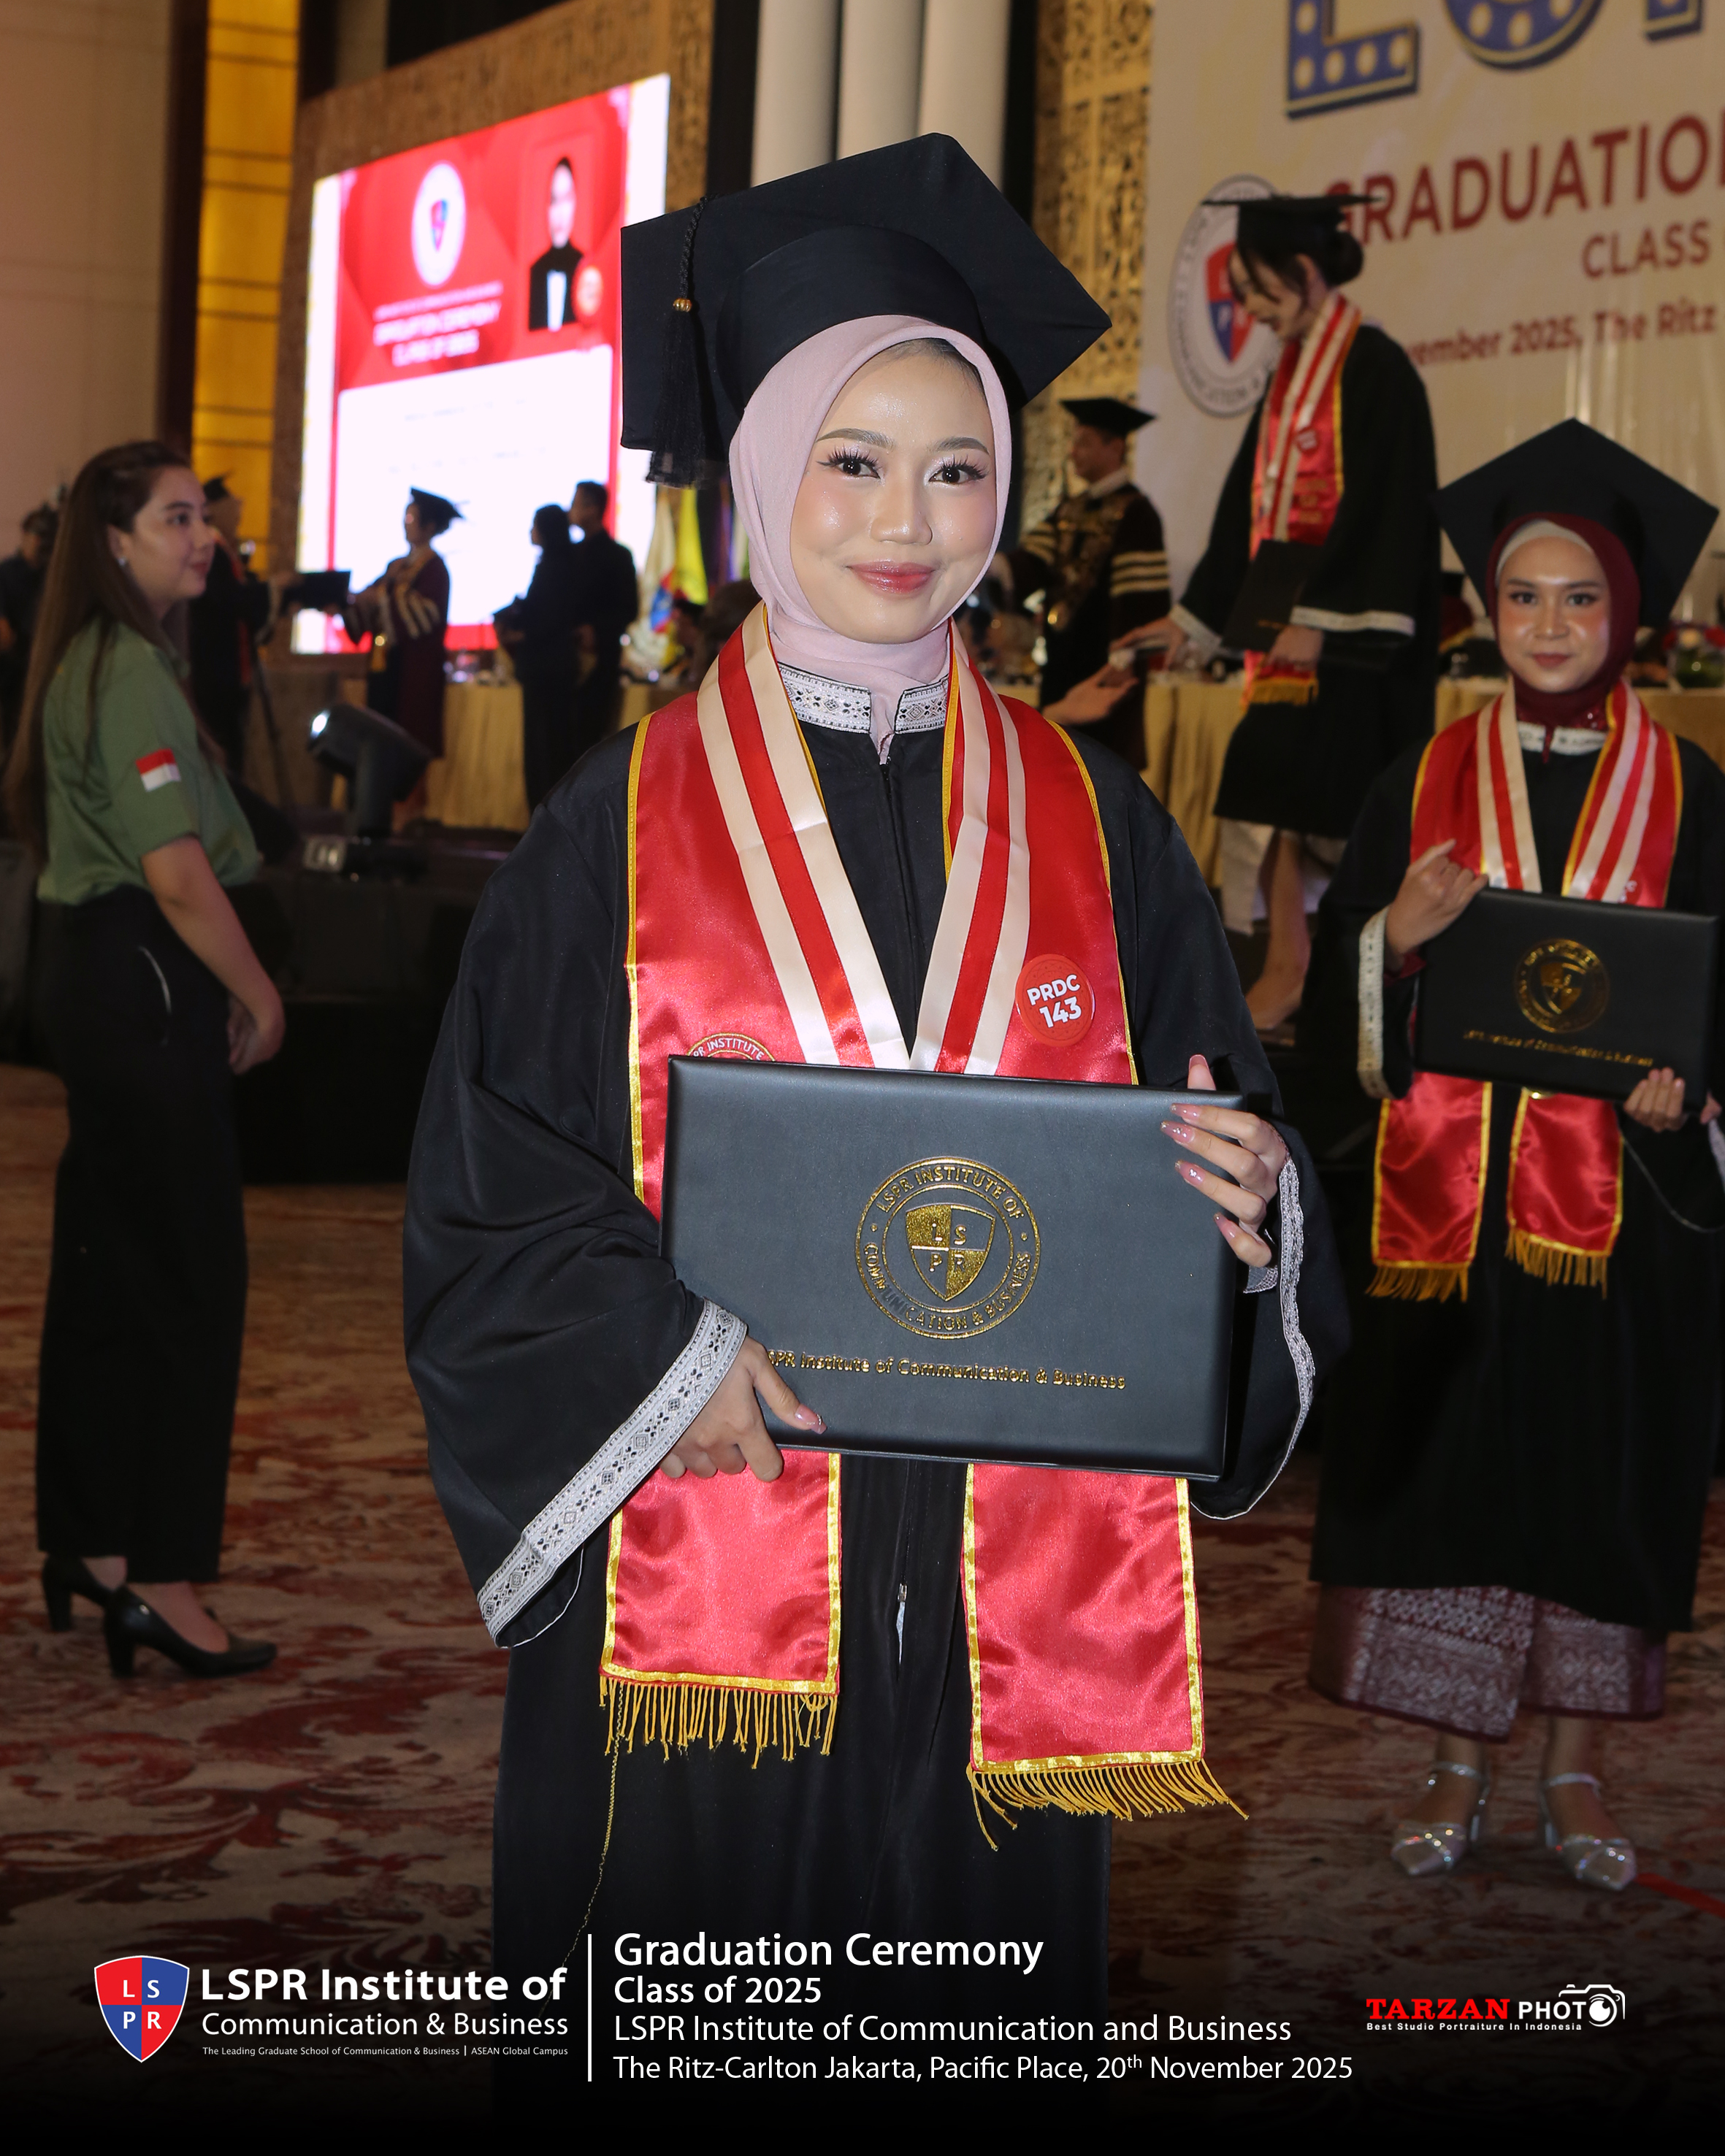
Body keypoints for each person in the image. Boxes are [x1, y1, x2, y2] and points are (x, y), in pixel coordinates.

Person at [402, 135, 1345, 2082]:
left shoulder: (1099, 822)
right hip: (709, 1537)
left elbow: (1216, 1108)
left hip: (1009, 1596)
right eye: (852, 460)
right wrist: (658, 1362)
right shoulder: (614, 825)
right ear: (759, 473)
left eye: (957, 467)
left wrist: (1253, 1208)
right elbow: (492, 1180)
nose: (909, 522)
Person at [1300, 421, 1723, 1892]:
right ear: (1485, 610)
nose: (1546, 624)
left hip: (1620, 1214)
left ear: (1627, 612)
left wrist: (1687, 1092)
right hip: (1446, 1217)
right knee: (1457, 1480)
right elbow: (1331, 1006)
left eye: (1579, 597)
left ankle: (1573, 1769)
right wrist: (1391, 939)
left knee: (1592, 1482)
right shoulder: (1416, 779)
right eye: (1520, 596)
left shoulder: (1693, 791)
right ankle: (1453, 1763)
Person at [1, 440, 285, 1679]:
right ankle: (164, 1579)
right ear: (115, 542)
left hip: (95, 972)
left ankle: (96, 1546)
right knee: (185, 1281)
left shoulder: (91, 656)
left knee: (111, 1272)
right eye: (177, 518)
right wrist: (258, 990)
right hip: (145, 974)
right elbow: (175, 872)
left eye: (200, 517)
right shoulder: (123, 668)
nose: (203, 535)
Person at [1125, 193, 1440, 1032]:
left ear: (1304, 273)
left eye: (1260, 291)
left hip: (1354, 650)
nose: (1252, 313)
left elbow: (1393, 512)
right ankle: (1289, 965)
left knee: (1322, 804)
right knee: (1264, 784)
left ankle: (1323, 977)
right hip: (1287, 645)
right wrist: (1192, 622)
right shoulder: (1289, 376)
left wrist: (1326, 620)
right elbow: (1245, 512)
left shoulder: (1375, 370)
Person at [995, 396, 1167, 762]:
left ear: (1115, 447)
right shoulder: (1067, 511)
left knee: (1101, 770)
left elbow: (1139, 604)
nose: (1073, 452)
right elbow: (1031, 565)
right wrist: (987, 565)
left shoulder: (1137, 513)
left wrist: (1122, 660)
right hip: (1060, 665)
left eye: (1084, 443)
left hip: (1107, 670)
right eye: (1074, 442)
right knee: (1053, 760)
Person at [343, 487, 456, 761]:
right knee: (378, 738)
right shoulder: (397, 566)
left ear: (429, 526)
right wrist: (350, 602)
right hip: (384, 666)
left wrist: (384, 596)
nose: (405, 524)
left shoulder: (435, 569)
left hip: (414, 672)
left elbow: (425, 614)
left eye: (411, 518)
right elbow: (375, 602)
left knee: (407, 744)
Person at [186, 475, 277, 778]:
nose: (238, 513)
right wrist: (273, 589)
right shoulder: (211, 552)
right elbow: (231, 600)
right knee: (221, 749)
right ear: (214, 509)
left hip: (232, 672)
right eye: (233, 506)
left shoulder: (227, 550)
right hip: (214, 671)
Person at [496, 504, 586, 809]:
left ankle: (542, 814)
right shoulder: (566, 565)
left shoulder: (552, 568)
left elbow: (548, 619)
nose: (530, 531)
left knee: (542, 748)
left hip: (544, 670)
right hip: (557, 667)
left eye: (535, 524)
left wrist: (519, 630)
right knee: (555, 745)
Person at [564, 477, 637, 751]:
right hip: (567, 661)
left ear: (592, 508)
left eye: (575, 503)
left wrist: (596, 630)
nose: (569, 510)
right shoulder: (569, 555)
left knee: (590, 738)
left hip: (600, 662)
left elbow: (628, 608)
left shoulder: (618, 556)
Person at [0, 502, 58, 758]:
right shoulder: (6, 573)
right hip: (16, 671)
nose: (40, 542)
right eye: (37, 534)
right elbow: (4, 635)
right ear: (24, 535)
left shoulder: (54, 575)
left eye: (46, 536)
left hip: (48, 669)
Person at [527, 157, 582, 331]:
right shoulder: (535, 273)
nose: (560, 212)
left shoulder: (585, 268)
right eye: (554, 200)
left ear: (575, 202)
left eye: (566, 199)